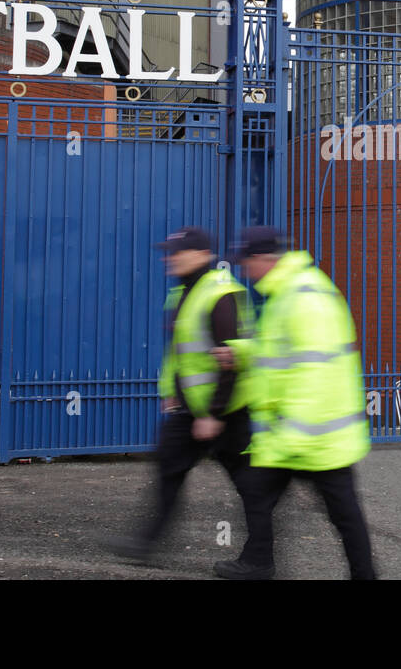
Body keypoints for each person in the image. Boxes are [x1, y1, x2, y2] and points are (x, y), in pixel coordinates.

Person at [212, 227, 376, 580]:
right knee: (259, 494)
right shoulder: (289, 292)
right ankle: (258, 562)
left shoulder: (304, 298)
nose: (245, 270)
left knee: (343, 514)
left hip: (313, 438)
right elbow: (279, 351)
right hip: (300, 436)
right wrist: (239, 351)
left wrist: (292, 434)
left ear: (264, 260)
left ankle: (364, 576)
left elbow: (315, 371)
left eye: (248, 262)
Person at [108, 226, 255, 563]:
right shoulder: (182, 292)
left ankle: (260, 552)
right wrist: (172, 391)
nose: (169, 258)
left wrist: (214, 415)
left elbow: (230, 359)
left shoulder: (221, 294)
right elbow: (181, 351)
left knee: (249, 485)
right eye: (168, 252)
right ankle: (145, 544)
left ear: (203, 255)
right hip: (191, 408)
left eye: (177, 252)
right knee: (168, 468)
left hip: (226, 410)